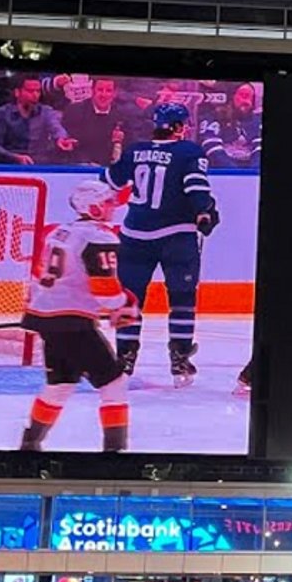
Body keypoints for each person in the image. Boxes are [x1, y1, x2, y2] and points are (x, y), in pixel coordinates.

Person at [102, 103, 220, 387]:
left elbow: (109, 180)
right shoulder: (189, 152)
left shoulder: (134, 150)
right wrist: (205, 210)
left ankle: (124, 360)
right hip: (176, 236)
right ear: (178, 127)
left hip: (134, 235)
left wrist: (118, 155)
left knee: (131, 299)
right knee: (182, 300)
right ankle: (179, 359)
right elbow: (195, 187)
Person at [18, 181, 140, 453]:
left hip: (47, 317)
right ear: (93, 207)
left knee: (60, 384)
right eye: (107, 202)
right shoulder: (100, 237)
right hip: (72, 322)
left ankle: (29, 444)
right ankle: (115, 452)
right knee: (114, 383)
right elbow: (106, 292)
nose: (112, 207)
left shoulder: (59, 232)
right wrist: (125, 304)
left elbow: (41, 277)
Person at [0, 77, 73, 164]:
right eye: (30, 91)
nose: (35, 95)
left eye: (38, 91)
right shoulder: (3, 113)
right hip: (12, 165)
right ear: (17, 93)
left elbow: (56, 127)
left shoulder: (45, 111)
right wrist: (15, 157)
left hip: (40, 164)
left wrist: (61, 139)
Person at [62, 78, 136, 165]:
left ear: (114, 94)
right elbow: (72, 144)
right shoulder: (75, 111)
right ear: (92, 91)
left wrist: (121, 141)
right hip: (81, 166)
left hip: (109, 168)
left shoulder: (123, 115)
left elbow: (131, 145)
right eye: (100, 90)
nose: (104, 95)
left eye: (108, 91)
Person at [198, 83, 262, 169]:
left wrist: (252, 172)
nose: (247, 100)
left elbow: (259, 149)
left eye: (250, 96)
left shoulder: (257, 121)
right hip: (221, 173)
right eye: (243, 95)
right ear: (232, 97)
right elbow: (212, 148)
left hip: (251, 173)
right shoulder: (214, 117)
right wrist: (234, 172)